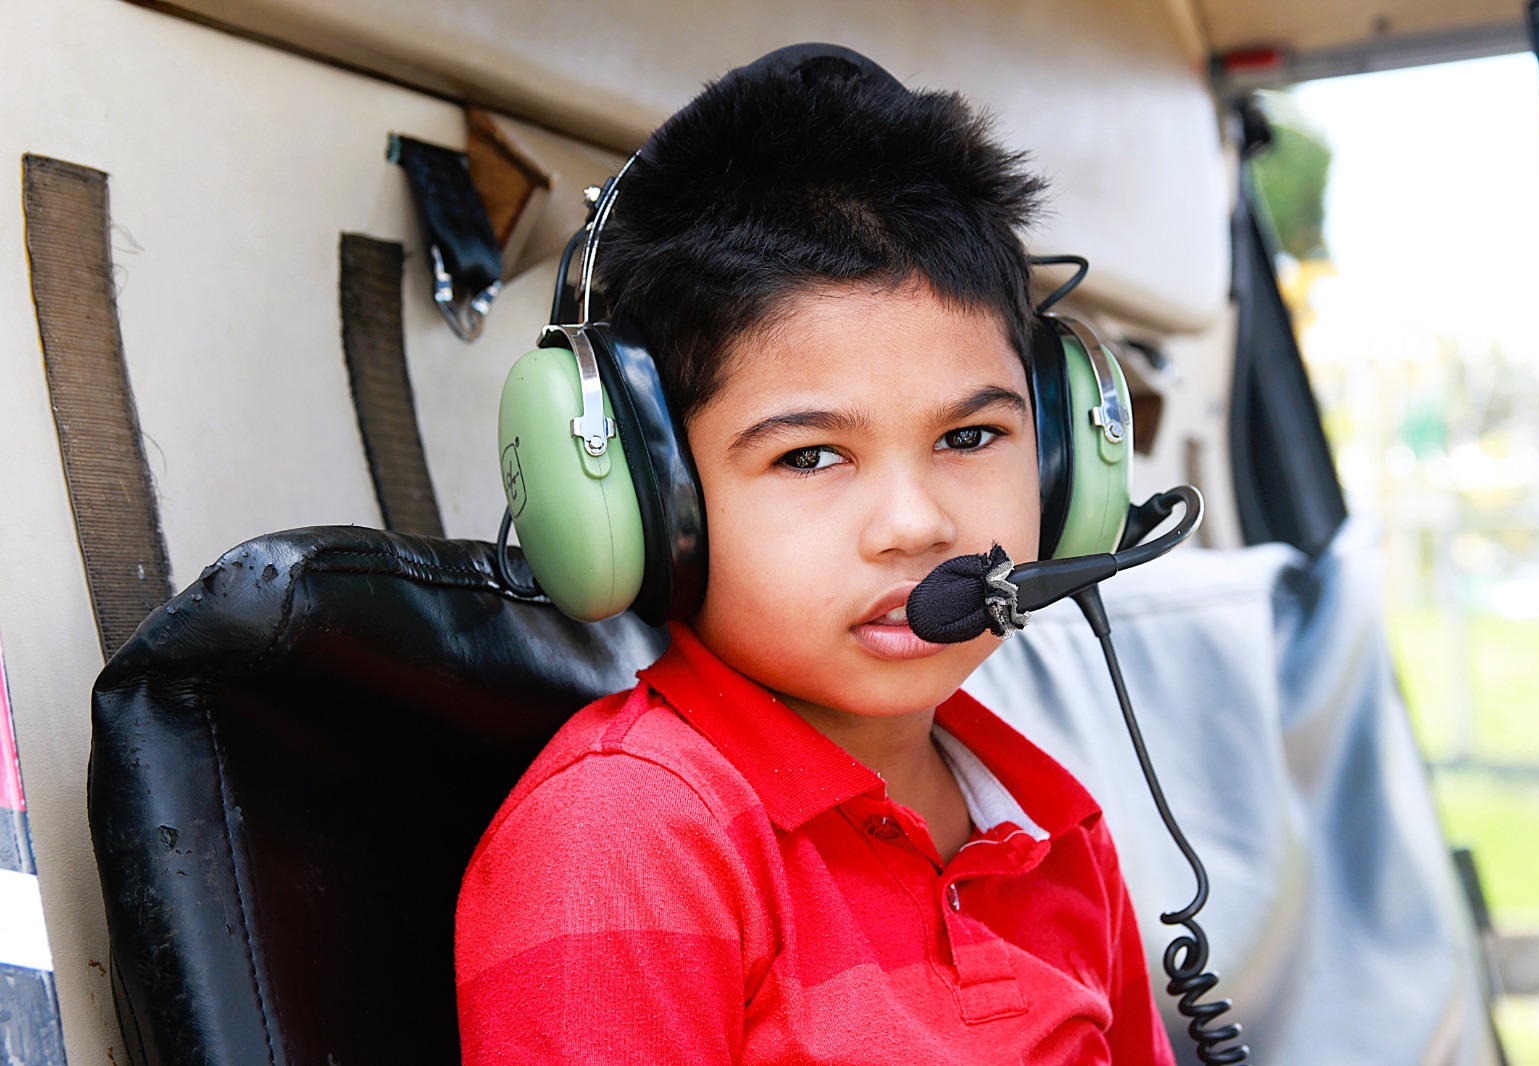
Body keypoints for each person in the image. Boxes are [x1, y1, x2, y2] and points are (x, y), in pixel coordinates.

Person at [455, 43, 1177, 1065]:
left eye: (970, 436)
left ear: (1064, 466)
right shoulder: (626, 836)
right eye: (810, 455)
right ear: (652, 501)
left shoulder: (1053, 827)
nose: (914, 525)